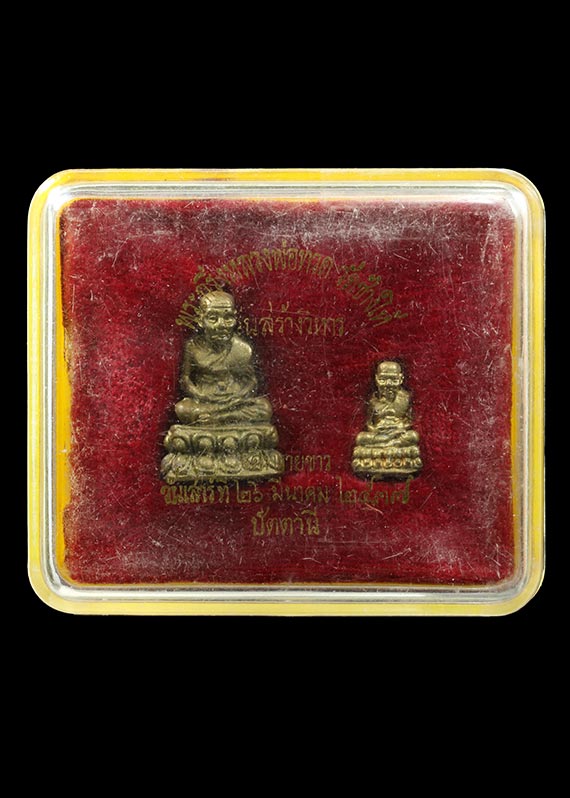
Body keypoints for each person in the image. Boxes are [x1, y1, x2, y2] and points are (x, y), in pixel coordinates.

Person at [175, 291, 272, 425]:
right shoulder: (193, 347)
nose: (221, 324)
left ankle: (220, 418)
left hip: (234, 400)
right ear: (201, 320)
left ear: (235, 319)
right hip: (206, 400)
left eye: (228, 318)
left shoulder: (243, 349)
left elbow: (251, 381)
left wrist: (238, 397)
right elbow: (185, 379)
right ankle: (225, 417)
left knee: (264, 408)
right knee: (182, 409)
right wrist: (200, 395)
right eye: (213, 318)